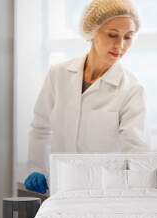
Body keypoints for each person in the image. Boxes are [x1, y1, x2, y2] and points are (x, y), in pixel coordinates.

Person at [24, 0, 150, 194]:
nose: (120, 45)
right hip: (60, 186)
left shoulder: (131, 89)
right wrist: (36, 168)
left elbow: (136, 150)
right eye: (112, 35)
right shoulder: (59, 74)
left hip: (105, 191)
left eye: (128, 37)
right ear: (92, 32)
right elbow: (41, 128)